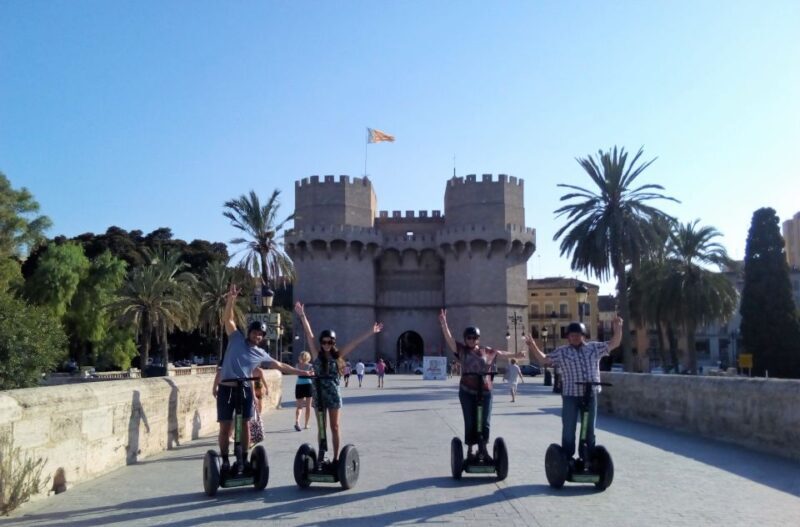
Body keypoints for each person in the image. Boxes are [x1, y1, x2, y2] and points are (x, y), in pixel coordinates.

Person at [213, 284, 312, 473]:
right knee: (225, 427)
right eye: (255, 332)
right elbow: (228, 319)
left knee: (246, 425)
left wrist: (303, 372)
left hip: (244, 390)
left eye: (261, 334)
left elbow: (281, 366)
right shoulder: (235, 338)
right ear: (249, 332)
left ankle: (243, 458)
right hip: (227, 388)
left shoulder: (260, 354)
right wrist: (231, 300)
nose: (257, 336)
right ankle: (225, 459)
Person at [524, 316, 623, 461]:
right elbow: (544, 359)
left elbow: (614, 343)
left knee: (589, 429)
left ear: (583, 336)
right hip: (571, 395)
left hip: (590, 395)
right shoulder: (562, 351)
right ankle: (567, 457)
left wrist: (618, 327)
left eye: (577, 335)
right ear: (568, 337)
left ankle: (587, 456)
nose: (575, 338)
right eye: (572, 335)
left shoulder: (594, 348)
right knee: (569, 429)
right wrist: (532, 345)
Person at [295, 302, 383, 463]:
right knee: (321, 427)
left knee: (334, 427)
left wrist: (371, 332)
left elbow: (354, 343)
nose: (326, 345)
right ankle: (322, 455)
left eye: (330, 342)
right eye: (324, 342)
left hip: (333, 394)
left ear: (333, 343)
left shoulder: (338, 356)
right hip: (319, 394)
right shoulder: (316, 355)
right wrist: (302, 315)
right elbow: (309, 334)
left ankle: (336, 458)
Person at [438, 309, 526, 460]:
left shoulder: (487, 351)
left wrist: (516, 355)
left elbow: (501, 353)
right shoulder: (462, 350)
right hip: (467, 391)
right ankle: (471, 450)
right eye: (469, 338)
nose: (471, 340)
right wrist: (444, 324)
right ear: (465, 339)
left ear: (478, 338)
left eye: (474, 338)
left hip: (485, 391)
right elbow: (450, 339)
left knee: (485, 421)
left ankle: (483, 448)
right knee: (470, 420)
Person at [294, 351, 314, 431]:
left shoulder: (297, 365)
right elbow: (312, 375)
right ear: (308, 357)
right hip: (308, 385)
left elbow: (296, 373)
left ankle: (297, 421)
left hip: (299, 385)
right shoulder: (310, 366)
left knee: (299, 406)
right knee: (308, 406)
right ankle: (306, 424)